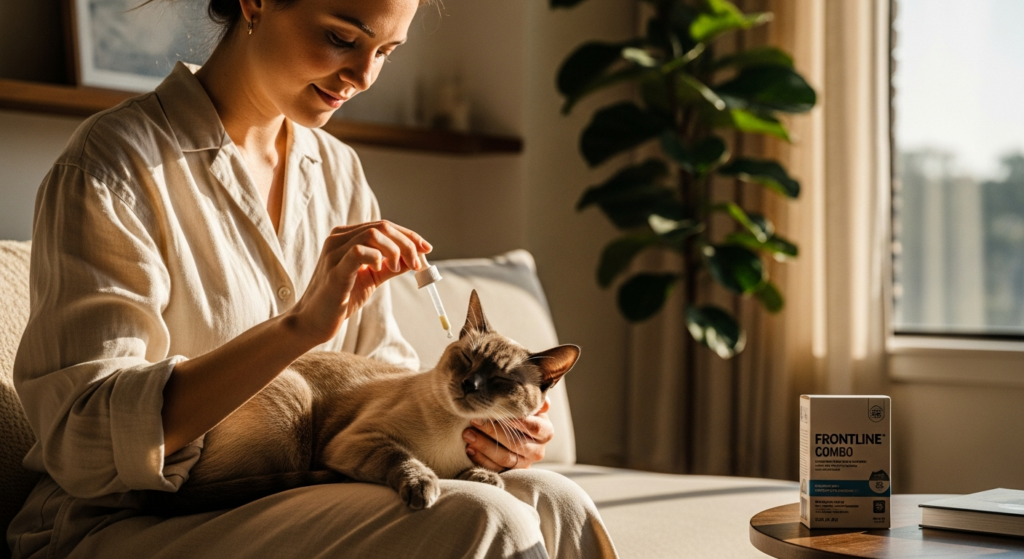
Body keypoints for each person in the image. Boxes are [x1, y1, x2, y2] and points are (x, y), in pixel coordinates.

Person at [6, 0, 619, 557]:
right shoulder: (114, 163)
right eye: (340, 37)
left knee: (554, 496)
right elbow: (82, 441)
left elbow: (381, 385)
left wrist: (486, 435)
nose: (363, 76)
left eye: (384, 51)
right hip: (132, 521)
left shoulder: (337, 171)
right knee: (486, 520)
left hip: (309, 490)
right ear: (256, 2)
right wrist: (299, 327)